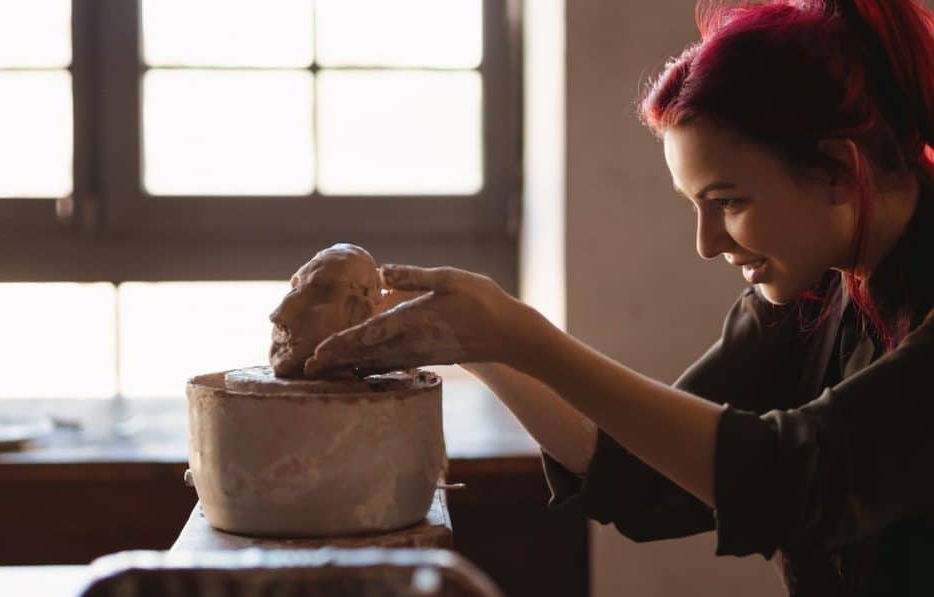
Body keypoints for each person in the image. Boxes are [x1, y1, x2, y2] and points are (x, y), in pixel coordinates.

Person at [304, 0, 934, 594]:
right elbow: (642, 478)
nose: (707, 244)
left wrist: (527, 336)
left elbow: (790, 482)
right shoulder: (808, 286)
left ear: (838, 171)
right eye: (696, 207)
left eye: (729, 203)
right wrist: (483, 349)